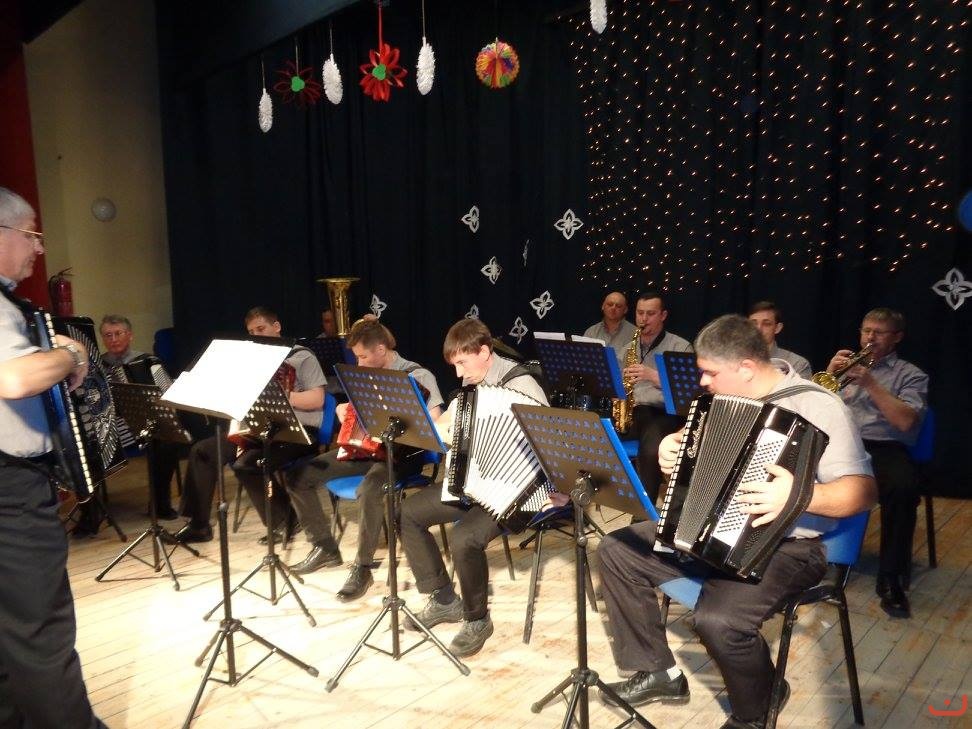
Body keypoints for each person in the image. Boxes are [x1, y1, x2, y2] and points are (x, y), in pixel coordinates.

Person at [597, 314, 876, 729]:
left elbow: (863, 491)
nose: (703, 382)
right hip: (710, 530)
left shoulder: (817, 406)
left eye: (710, 373)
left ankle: (757, 707)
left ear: (745, 368)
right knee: (617, 550)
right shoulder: (719, 401)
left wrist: (799, 496)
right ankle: (658, 672)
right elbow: (699, 463)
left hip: (788, 545)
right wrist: (674, 449)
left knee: (720, 621)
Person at [0, 187, 107, 728]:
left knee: (10, 630)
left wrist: (66, 350)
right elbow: (15, 378)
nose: (38, 248)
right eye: (31, 235)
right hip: (11, 490)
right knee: (41, 629)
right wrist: (67, 353)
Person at [400, 318, 548, 658]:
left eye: (462, 363)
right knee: (408, 512)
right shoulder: (470, 385)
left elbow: (548, 443)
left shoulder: (523, 383)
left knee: (464, 536)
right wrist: (438, 431)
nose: (458, 374)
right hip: (474, 480)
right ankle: (443, 599)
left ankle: (477, 619)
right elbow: (448, 426)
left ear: (484, 352)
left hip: (519, 489)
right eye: (454, 366)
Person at [284, 318, 444, 602]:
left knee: (369, 489)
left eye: (363, 356)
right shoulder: (363, 376)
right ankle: (324, 547)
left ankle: (363, 568)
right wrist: (344, 411)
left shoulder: (417, 375)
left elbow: (434, 422)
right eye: (356, 357)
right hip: (366, 451)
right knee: (300, 475)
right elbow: (355, 414)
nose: (358, 362)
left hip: (403, 455)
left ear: (381, 349)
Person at [174, 307, 326, 543]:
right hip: (258, 428)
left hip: (297, 432)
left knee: (248, 464)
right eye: (252, 332)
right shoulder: (251, 361)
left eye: (261, 329)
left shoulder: (302, 357)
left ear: (277, 327)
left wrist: (281, 397)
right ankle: (198, 525)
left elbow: (317, 399)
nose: (257, 335)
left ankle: (285, 520)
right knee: (202, 451)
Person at [826, 307, 928, 619]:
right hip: (842, 443)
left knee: (902, 488)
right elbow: (815, 406)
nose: (870, 338)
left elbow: (905, 422)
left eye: (879, 332)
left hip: (885, 447)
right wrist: (830, 374)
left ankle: (891, 578)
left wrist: (871, 383)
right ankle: (803, 560)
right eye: (866, 330)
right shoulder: (845, 366)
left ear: (896, 337)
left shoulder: (911, 374)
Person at [99, 314, 180, 521]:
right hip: (112, 426)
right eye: (108, 335)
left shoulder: (149, 361)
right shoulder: (98, 367)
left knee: (167, 442)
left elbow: (167, 391)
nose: (113, 339)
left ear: (130, 335)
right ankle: (92, 513)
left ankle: (160, 503)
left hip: (146, 422)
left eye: (118, 333)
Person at [622, 292, 693, 502]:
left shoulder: (680, 346)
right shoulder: (628, 348)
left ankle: (645, 510)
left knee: (651, 448)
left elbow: (689, 392)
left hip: (664, 412)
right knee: (597, 432)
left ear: (663, 315)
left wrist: (653, 375)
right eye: (640, 313)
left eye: (650, 314)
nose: (643, 319)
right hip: (633, 411)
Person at [747, 301, 812, 379]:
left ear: (777, 328)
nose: (759, 329)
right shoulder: (735, 359)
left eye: (766, 324)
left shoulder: (797, 364)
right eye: (753, 323)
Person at [582, 291, 638, 364]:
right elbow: (583, 359)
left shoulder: (635, 333)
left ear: (625, 310)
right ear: (603, 306)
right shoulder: (591, 332)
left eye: (618, 306)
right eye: (610, 304)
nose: (613, 308)